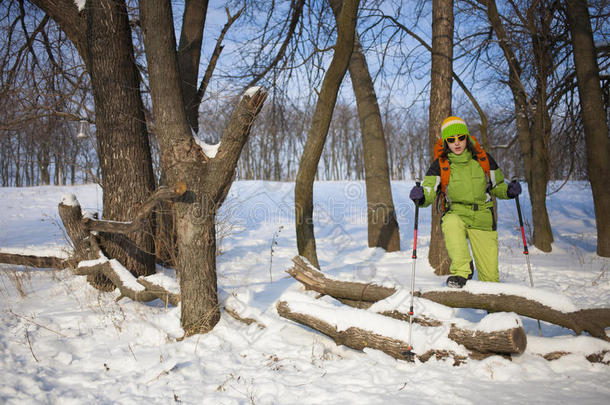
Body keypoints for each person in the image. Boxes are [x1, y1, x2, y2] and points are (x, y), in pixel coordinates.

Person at [409, 116, 522, 288]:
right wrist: (421, 196)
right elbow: (429, 189)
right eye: (451, 139)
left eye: (461, 137)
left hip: (482, 217)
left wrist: (509, 190)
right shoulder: (441, 164)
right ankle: (462, 271)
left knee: (490, 278)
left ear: (467, 137)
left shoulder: (483, 159)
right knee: (450, 222)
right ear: (446, 142)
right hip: (457, 213)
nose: (457, 143)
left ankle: (496, 314)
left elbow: (498, 185)